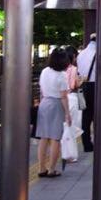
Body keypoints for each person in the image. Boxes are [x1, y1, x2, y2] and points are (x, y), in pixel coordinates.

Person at [36, 49, 71, 177]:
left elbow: (41, 89)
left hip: (44, 103)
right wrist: (67, 113)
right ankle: (51, 169)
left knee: (43, 138)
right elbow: (63, 97)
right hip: (56, 105)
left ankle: (41, 169)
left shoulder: (45, 71)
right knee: (55, 138)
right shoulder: (62, 75)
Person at [75, 34, 97, 152]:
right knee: (97, 115)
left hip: (82, 87)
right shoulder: (98, 53)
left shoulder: (81, 54)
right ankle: (98, 141)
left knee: (85, 116)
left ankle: (86, 144)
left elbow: (79, 72)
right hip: (95, 86)